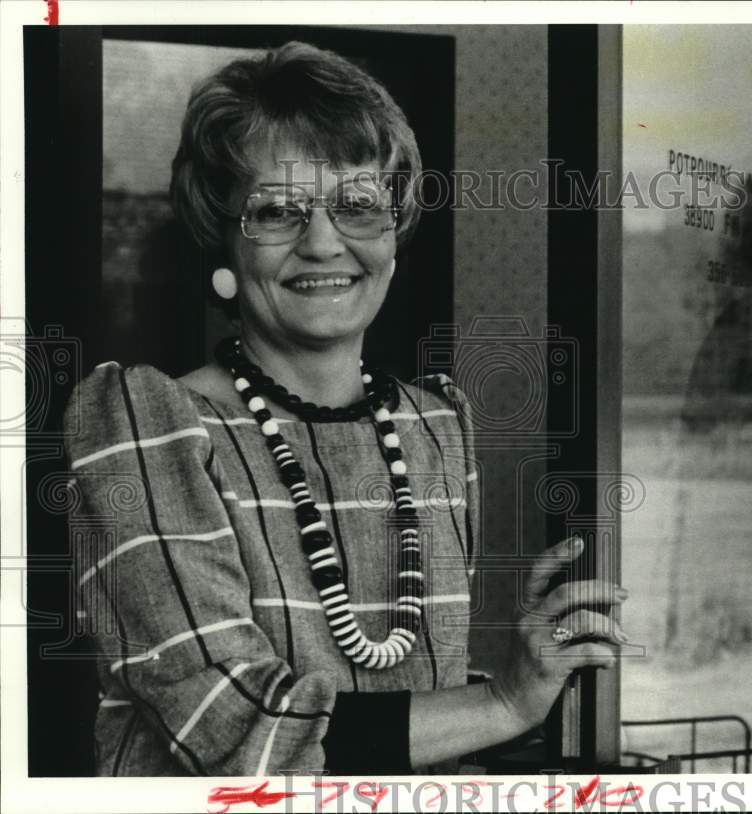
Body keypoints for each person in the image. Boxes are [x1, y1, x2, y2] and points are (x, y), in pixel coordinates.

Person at [65, 41, 627, 776]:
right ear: (224, 242)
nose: (324, 242)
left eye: (358, 205)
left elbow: (426, 720)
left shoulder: (433, 429)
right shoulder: (145, 428)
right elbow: (241, 734)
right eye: (277, 211)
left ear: (393, 237)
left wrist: (523, 681)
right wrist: (505, 706)